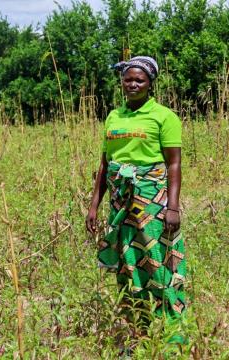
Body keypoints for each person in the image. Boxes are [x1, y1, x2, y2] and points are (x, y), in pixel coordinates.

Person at [86, 56, 186, 322]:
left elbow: (173, 165)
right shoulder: (114, 116)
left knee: (158, 258)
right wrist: (94, 204)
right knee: (127, 260)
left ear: (149, 83)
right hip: (120, 202)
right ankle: (136, 326)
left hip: (152, 199)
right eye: (127, 79)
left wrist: (172, 207)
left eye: (139, 80)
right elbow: (105, 164)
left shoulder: (164, 117)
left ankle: (173, 329)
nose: (132, 84)